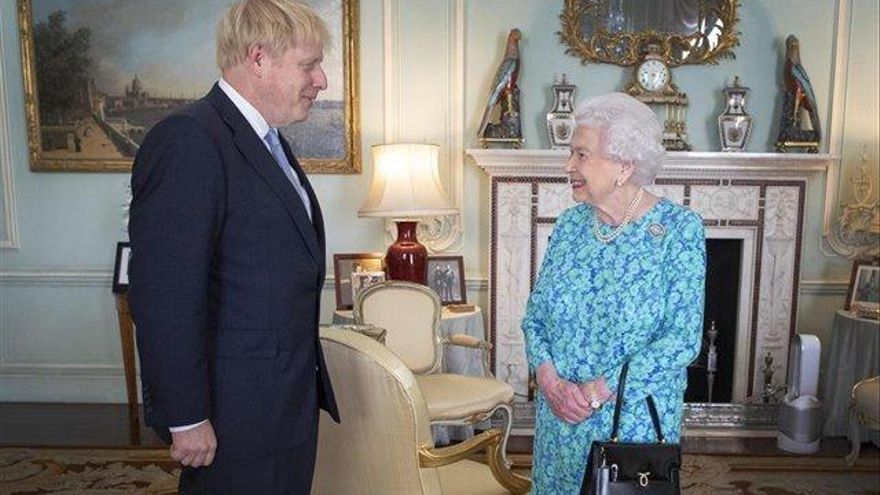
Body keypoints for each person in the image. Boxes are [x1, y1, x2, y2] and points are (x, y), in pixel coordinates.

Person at [127, 1, 338, 493]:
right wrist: (185, 416)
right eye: (309, 65)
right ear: (258, 57)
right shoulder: (189, 140)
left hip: (282, 405)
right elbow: (164, 295)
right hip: (233, 415)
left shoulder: (268, 140)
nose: (322, 80)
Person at [521, 92, 706, 494]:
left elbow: (681, 341)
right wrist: (550, 381)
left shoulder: (678, 231)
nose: (568, 166)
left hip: (630, 422)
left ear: (624, 164)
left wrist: (592, 393)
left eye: (581, 155)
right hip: (559, 417)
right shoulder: (570, 226)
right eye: (570, 153)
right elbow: (535, 317)